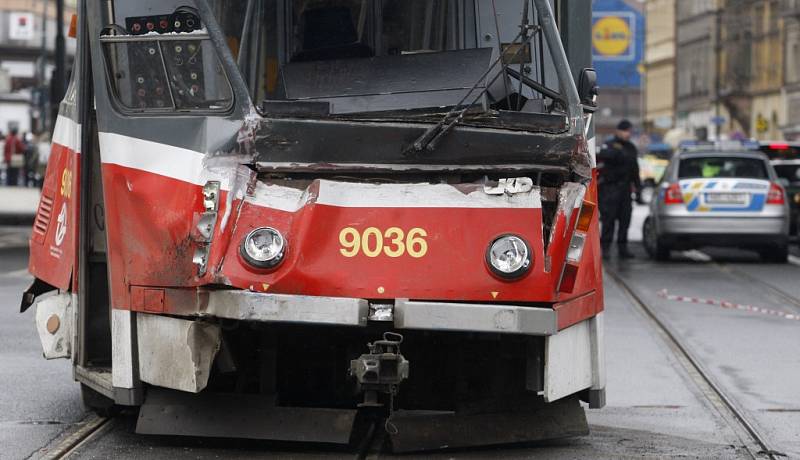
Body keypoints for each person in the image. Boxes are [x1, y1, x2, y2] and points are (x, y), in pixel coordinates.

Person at [597, 119, 642, 259]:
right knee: (608, 221)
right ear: (618, 131)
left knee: (625, 220)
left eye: (629, 131)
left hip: (625, 190)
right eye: (625, 131)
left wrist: (638, 186)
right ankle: (605, 249)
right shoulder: (609, 144)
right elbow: (602, 155)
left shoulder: (631, 148)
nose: (627, 134)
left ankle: (623, 249)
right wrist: (617, 153)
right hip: (610, 188)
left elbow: (635, 169)